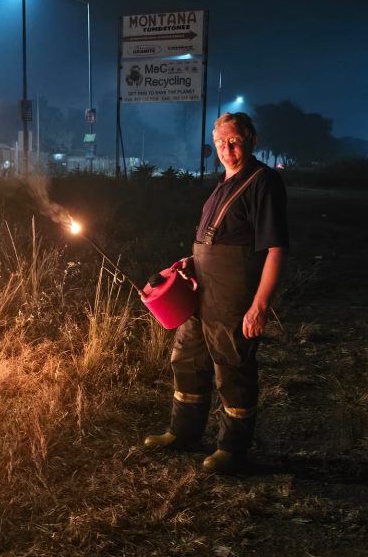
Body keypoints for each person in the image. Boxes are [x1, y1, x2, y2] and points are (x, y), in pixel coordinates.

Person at [144, 112, 289, 474]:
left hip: (233, 291)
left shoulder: (263, 182)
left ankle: (232, 448)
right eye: (221, 141)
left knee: (232, 366)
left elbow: (275, 250)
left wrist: (259, 306)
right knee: (187, 357)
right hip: (202, 288)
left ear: (252, 140)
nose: (226, 148)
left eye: (234, 141)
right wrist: (191, 262)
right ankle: (183, 433)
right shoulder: (222, 182)